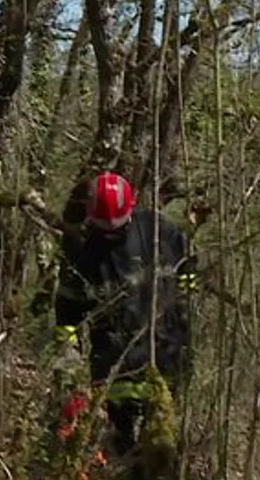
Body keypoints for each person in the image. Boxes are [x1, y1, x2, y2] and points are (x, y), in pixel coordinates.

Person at [53, 171, 198, 458]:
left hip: (168, 352)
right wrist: (69, 363)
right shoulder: (84, 255)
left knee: (161, 441)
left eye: (116, 228)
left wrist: (182, 301)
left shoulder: (159, 230)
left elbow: (189, 267)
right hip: (115, 365)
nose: (111, 233)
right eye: (105, 229)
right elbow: (68, 314)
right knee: (124, 443)